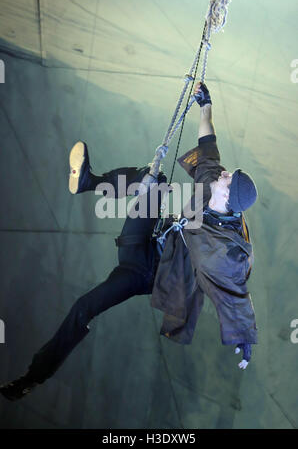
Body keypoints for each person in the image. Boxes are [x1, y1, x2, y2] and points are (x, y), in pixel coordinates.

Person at [0, 82, 258, 402]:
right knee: (153, 182)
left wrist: (244, 336)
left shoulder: (225, 250)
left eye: (227, 178)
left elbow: (235, 292)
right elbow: (208, 143)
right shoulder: (212, 183)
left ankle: (32, 377)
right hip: (145, 240)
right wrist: (206, 105)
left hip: (147, 274)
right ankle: (87, 181)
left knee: (85, 307)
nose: (223, 174)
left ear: (227, 198)